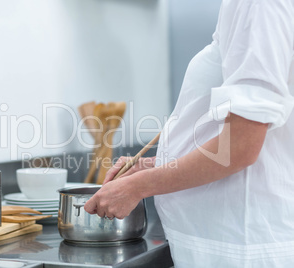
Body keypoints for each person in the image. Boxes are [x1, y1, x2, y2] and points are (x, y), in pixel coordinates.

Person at [84, 0, 294, 267]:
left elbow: (240, 147)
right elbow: (256, 142)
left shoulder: (257, 4)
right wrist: (155, 167)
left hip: (240, 248)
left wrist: (139, 186)